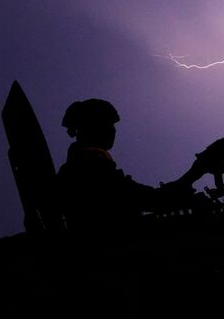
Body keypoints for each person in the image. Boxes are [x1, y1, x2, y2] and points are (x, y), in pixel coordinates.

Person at [56, 98, 206, 231]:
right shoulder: (88, 164)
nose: (113, 130)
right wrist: (178, 195)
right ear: (93, 127)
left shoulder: (82, 161)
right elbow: (135, 196)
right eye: (108, 124)